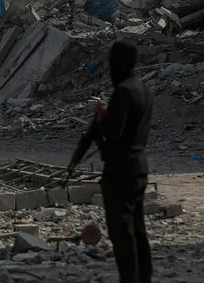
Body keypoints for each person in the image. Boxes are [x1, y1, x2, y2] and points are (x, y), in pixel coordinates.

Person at [68, 40, 154, 283]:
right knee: (137, 231)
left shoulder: (124, 91)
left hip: (120, 171)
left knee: (121, 234)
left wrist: (102, 117)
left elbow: (114, 132)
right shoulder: (144, 90)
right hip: (139, 167)